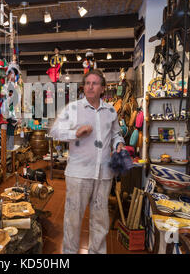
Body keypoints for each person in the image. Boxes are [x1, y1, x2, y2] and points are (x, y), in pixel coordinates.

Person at [49, 69, 125, 254]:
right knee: (73, 220)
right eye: (88, 83)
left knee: (100, 221)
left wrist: (119, 144)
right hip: (78, 175)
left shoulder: (110, 111)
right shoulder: (73, 109)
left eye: (95, 83)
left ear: (103, 88)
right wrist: (74, 133)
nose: (90, 87)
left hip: (104, 175)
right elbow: (55, 132)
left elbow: (116, 133)